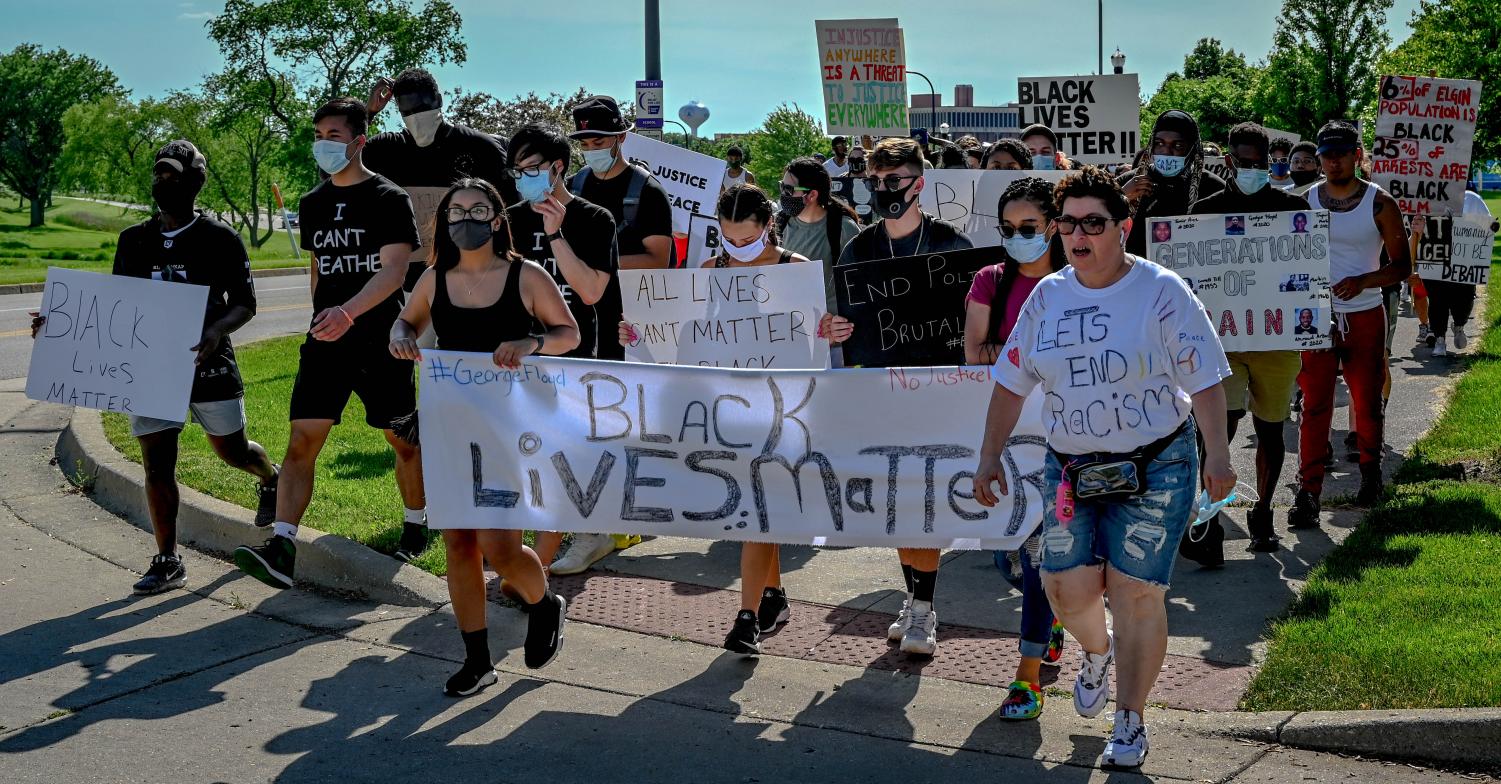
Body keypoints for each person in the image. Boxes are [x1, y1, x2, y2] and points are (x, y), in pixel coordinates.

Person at [973, 165, 1235, 768]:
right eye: (1069, 223)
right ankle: (1095, 650)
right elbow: (1011, 384)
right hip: (1072, 468)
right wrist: (989, 455)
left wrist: (1217, 457)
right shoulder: (1048, 296)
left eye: (1094, 222)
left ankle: (1130, 720)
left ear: (1124, 227)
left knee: (1136, 592)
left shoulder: (1162, 290)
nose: (1079, 234)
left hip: (1158, 465)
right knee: (1064, 585)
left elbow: (1208, 381)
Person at [30, 140, 280, 595]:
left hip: (208, 363)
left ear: (194, 181)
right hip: (150, 369)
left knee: (232, 451)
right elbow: (113, 310)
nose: (163, 182)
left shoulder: (220, 238)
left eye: (172, 174)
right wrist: (59, 325)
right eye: (158, 174)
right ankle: (168, 559)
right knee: (157, 465)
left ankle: (270, 478)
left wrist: (216, 331)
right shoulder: (134, 240)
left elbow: (245, 303)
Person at [620, 185, 850, 656]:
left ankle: (746, 618)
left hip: (784, 410)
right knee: (755, 509)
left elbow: (818, 334)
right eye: (727, 238)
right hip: (726, 411)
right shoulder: (709, 272)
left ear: (768, 227)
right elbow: (683, 342)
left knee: (757, 509)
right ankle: (773, 595)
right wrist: (641, 335)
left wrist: (831, 328)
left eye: (746, 240)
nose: (737, 249)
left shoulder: (796, 272)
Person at [389, 178, 578, 695]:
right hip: (451, 427)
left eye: (477, 209)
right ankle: (477, 659)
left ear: (497, 220)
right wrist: (401, 337)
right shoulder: (435, 278)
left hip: (511, 431)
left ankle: (544, 605)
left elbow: (570, 333)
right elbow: (405, 323)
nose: (464, 219)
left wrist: (531, 341)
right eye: (455, 212)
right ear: (444, 222)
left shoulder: (526, 274)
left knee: (501, 549)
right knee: (457, 543)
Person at [234, 97, 424, 589]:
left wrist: (348, 314)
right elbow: (318, 269)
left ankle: (417, 522)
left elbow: (395, 271)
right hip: (327, 342)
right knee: (301, 441)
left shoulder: (388, 198)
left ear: (359, 141)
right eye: (319, 135)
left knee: (402, 440)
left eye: (334, 136)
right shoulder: (313, 202)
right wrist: (323, 317)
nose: (323, 144)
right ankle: (282, 545)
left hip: (382, 342)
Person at [837, 137, 973, 655]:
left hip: (938, 396)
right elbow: (846, 318)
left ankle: (922, 611)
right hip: (881, 395)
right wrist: (835, 328)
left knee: (928, 502)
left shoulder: (951, 245)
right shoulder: (860, 248)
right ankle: (915, 600)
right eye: (876, 180)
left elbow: (971, 322)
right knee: (897, 500)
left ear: (919, 182)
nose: (885, 188)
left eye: (895, 180)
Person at [962, 177, 1069, 720]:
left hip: (1073, 443)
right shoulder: (989, 281)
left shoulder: (1079, 280)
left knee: (1039, 560)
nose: (1016, 238)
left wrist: (1015, 357)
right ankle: (1052, 619)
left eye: (1027, 228)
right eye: (1007, 229)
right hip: (1011, 443)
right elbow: (976, 353)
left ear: (1054, 225)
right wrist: (1037, 357)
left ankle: (1026, 679)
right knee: (1013, 561)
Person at [1188, 122, 1312, 554]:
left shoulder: (1292, 209)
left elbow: (1309, 272)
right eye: (1245, 163)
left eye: (1261, 164)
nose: (1254, 170)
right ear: (1228, 161)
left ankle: (1263, 511)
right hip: (1221, 343)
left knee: (1272, 429)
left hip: (1276, 342)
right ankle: (1211, 515)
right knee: (1219, 427)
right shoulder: (1203, 211)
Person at [1291, 121, 1412, 527]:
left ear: (1357, 154)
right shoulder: (1306, 201)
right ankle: (1308, 492)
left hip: (1364, 313)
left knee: (1367, 399)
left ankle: (1370, 476)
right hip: (1317, 317)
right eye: (1327, 154)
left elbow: (1402, 267)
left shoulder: (1379, 203)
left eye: (1342, 152)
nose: (1333, 161)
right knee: (1314, 404)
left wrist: (1363, 280)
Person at [364, 68, 514, 292]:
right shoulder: (386, 149)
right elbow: (336, 171)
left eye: (422, 108)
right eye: (408, 111)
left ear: (439, 100)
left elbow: (512, 210)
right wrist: (368, 114)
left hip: (469, 281)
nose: (416, 116)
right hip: (404, 286)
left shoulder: (481, 148)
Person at [568, 95, 675, 272]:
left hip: (629, 297)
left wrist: (594, 263)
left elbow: (658, 260)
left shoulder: (650, 192)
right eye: (584, 145)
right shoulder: (571, 187)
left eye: (598, 142)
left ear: (621, 137)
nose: (591, 151)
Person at [1119, 110, 1226, 256]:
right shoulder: (1128, 182)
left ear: (1192, 149)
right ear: (1151, 145)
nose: (1166, 152)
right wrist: (1121, 197)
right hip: (1139, 275)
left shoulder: (1212, 187)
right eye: (1159, 144)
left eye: (1177, 146)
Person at [776, 156, 861, 317]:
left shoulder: (844, 229)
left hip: (831, 331)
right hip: (791, 326)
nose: (782, 194)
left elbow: (861, 282)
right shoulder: (778, 224)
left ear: (812, 195)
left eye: (788, 189)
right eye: (782, 187)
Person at [1424, 190, 1494, 356]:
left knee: (1465, 298)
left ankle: (1459, 324)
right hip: (1436, 259)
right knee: (1437, 300)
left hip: (1464, 261)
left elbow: (1487, 225)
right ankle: (1440, 339)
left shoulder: (1472, 199)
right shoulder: (1429, 197)